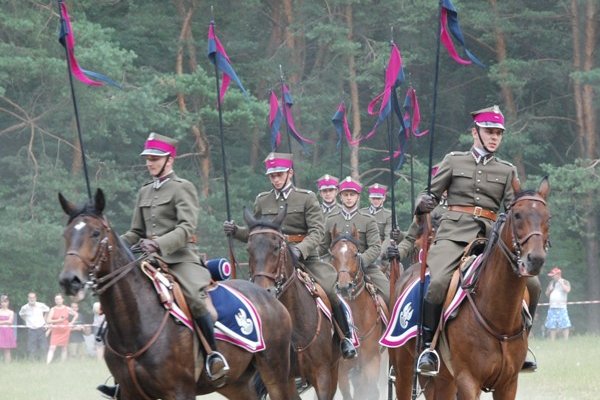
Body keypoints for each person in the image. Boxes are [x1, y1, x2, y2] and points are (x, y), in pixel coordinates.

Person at [401, 105, 541, 375]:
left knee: (533, 284)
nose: (494, 138)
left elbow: (514, 211)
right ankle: (428, 347)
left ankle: (522, 343)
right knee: (438, 281)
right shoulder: (454, 161)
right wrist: (422, 202)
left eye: (498, 133)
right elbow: (427, 195)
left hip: (490, 236)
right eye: (489, 132)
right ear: (475, 133)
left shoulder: (507, 170)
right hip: (453, 234)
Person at [97, 132, 229, 398]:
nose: (150, 163)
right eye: (148, 159)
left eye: (155, 158)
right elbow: (135, 231)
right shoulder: (144, 191)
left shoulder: (183, 187)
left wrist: (159, 244)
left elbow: (186, 227)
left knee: (195, 299)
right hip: (147, 260)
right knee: (125, 300)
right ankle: (126, 374)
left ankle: (213, 357)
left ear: (170, 159)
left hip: (181, 258)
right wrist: (111, 246)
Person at [224, 152, 357, 359]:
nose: (276, 179)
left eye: (279, 174)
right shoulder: (262, 200)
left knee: (329, 289)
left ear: (290, 173)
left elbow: (317, 231)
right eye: (272, 175)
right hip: (272, 261)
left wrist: (300, 249)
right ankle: (249, 344)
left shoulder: (306, 198)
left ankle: (345, 337)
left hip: (303, 258)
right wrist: (236, 231)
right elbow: (256, 233)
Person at [321, 177, 390, 305]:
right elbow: (322, 246)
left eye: (352, 194)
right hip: (336, 267)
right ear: (340, 196)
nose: (348, 198)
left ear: (357, 197)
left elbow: (375, 247)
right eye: (345, 194)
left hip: (364, 267)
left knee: (388, 294)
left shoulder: (368, 220)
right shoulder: (331, 219)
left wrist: (361, 261)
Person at [46, 293, 77, 364]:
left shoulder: (67, 308)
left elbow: (76, 314)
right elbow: (48, 320)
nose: (58, 300)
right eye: (56, 299)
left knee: (64, 347)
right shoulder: (53, 309)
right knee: (52, 347)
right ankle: (48, 363)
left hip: (65, 330)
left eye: (59, 299)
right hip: (56, 331)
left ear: (62, 300)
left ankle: (62, 363)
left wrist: (71, 323)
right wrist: (58, 320)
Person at [18, 292, 49, 360]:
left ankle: (44, 361)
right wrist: (26, 320)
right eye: (30, 297)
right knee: (31, 348)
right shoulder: (24, 307)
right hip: (31, 330)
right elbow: (21, 315)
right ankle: (32, 361)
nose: (32, 299)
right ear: (28, 298)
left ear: (35, 298)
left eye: (33, 297)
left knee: (43, 347)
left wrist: (45, 321)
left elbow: (47, 310)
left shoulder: (41, 305)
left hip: (41, 328)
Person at [544, 267, 572, 340]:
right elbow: (547, 294)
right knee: (552, 325)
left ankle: (566, 340)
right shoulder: (551, 283)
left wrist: (561, 283)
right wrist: (550, 290)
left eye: (553, 275)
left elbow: (567, 290)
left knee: (565, 324)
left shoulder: (565, 281)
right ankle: (552, 340)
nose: (552, 277)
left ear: (558, 275)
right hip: (552, 307)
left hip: (562, 307)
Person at [0, 295, 17, 363]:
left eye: (5, 302)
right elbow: (8, 321)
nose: (4, 303)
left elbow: (10, 322)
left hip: (7, 331)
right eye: (2, 302)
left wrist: (1, 322)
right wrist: (6, 322)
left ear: (8, 302)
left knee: (7, 349)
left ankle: (8, 363)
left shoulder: (11, 312)